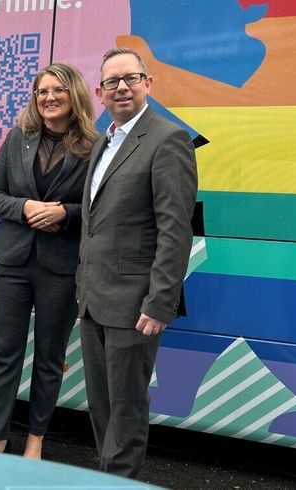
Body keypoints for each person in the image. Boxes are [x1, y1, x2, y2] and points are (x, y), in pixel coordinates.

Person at [77, 47, 198, 478]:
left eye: (131, 78)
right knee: (101, 404)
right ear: (100, 91)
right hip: (93, 299)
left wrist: (160, 300)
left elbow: (174, 229)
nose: (122, 87)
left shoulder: (168, 140)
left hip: (134, 303)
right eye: (112, 81)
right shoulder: (103, 143)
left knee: (126, 407)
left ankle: (118, 483)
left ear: (148, 83)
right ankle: (108, 479)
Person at [0, 63, 99, 459]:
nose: (49, 97)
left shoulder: (94, 146)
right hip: (11, 264)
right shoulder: (18, 139)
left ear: (74, 95)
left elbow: (99, 207)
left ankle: (35, 439)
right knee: (6, 355)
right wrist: (27, 207)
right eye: (42, 91)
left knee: (49, 359)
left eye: (58, 90)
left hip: (61, 268)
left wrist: (66, 213)